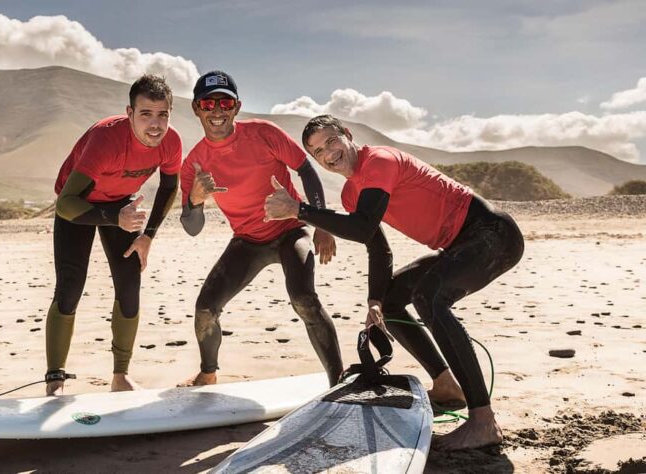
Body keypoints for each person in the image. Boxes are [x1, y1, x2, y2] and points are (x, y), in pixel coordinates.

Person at [263, 114, 525, 450]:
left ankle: (483, 420)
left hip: (492, 234)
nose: (328, 153)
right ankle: (446, 384)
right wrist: (375, 301)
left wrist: (299, 210)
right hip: (459, 245)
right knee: (392, 299)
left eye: (331, 141)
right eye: (317, 152)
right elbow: (378, 248)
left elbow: (360, 227)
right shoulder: (350, 193)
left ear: (347, 134)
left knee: (431, 297)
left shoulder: (380, 161)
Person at [178, 71, 343, 387]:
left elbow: (305, 169)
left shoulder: (264, 133)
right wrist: (196, 200)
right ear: (197, 108)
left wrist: (321, 223)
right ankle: (208, 373)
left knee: (304, 300)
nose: (217, 111)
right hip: (247, 241)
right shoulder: (194, 163)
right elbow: (192, 227)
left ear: (236, 107)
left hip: (290, 231)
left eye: (225, 102)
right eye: (208, 103)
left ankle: (338, 381)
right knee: (205, 310)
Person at [45, 75, 182, 395]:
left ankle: (120, 376)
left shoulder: (171, 142)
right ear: (129, 112)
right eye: (146, 114)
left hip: (120, 203)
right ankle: (55, 380)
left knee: (129, 284)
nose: (155, 125)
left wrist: (148, 235)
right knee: (70, 287)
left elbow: (169, 186)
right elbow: (65, 204)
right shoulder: (105, 140)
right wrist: (112, 217)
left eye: (163, 114)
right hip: (80, 204)